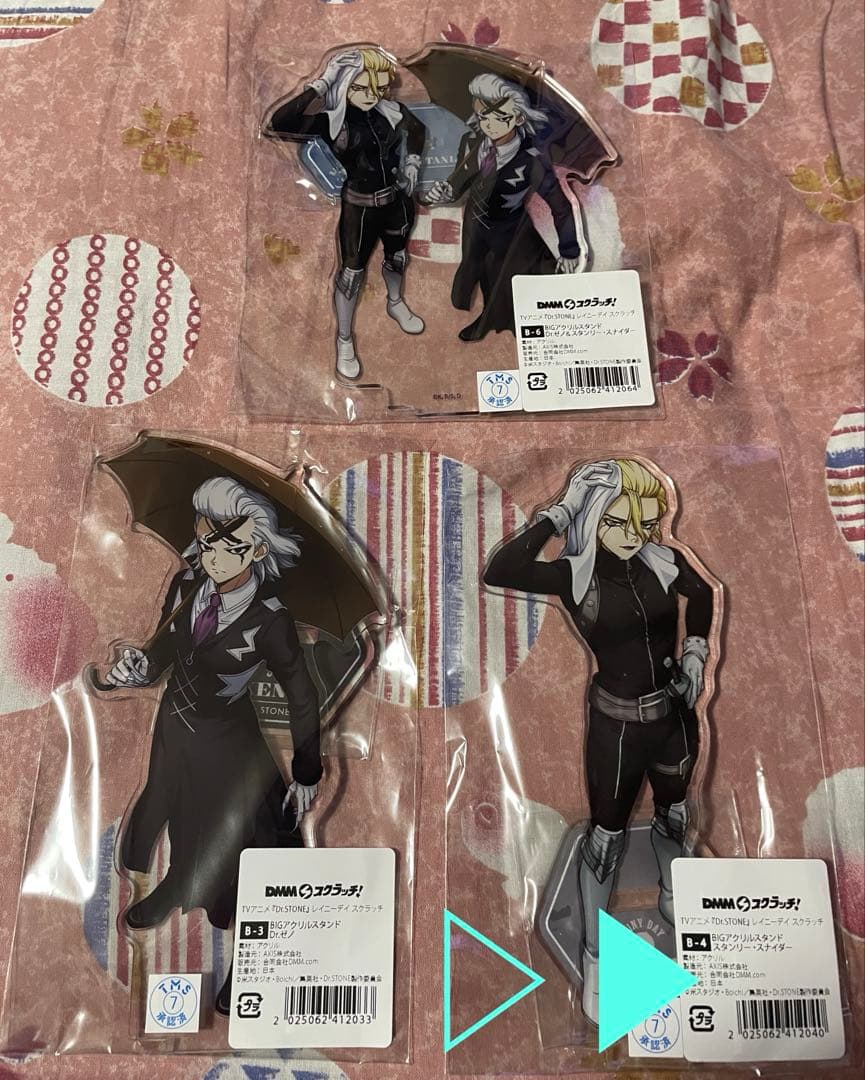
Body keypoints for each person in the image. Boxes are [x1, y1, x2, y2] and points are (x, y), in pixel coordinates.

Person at [483, 459, 715, 1025]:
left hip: (674, 717)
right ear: (594, 518)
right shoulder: (574, 574)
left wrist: (695, 651)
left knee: (675, 817)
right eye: (618, 522)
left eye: (644, 523)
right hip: (616, 729)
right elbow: (500, 568)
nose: (634, 535)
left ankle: (675, 897)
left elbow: (704, 594)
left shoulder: (664, 561)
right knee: (604, 843)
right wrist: (561, 512)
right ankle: (596, 958)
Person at [104, 476, 322, 1014]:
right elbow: (161, 654)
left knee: (247, 854)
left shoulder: (270, 620)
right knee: (182, 820)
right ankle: (178, 884)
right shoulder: (186, 588)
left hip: (230, 749)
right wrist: (137, 668)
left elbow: (301, 693)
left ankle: (250, 969)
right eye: (206, 542)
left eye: (230, 546)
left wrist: (307, 770)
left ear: (258, 550)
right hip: (173, 732)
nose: (214, 557)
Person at [263, 48, 427, 379]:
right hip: (359, 208)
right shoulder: (331, 121)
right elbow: (277, 123)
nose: (371, 96)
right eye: (361, 88)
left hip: (397, 201)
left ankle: (396, 302)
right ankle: (344, 339)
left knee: (397, 257)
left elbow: (418, 130)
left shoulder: (391, 111)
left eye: (377, 88)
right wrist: (323, 82)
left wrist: (412, 161)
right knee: (351, 276)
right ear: (345, 85)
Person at [425, 72, 584, 341]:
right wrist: (443, 192)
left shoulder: (532, 159)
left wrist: (569, 249)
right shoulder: (472, 144)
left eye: (501, 118)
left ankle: (504, 322)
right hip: (474, 225)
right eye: (483, 116)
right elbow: (458, 183)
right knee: (476, 276)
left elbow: (560, 205)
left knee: (505, 279)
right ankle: (491, 316)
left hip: (508, 231)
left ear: (519, 118)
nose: (490, 125)